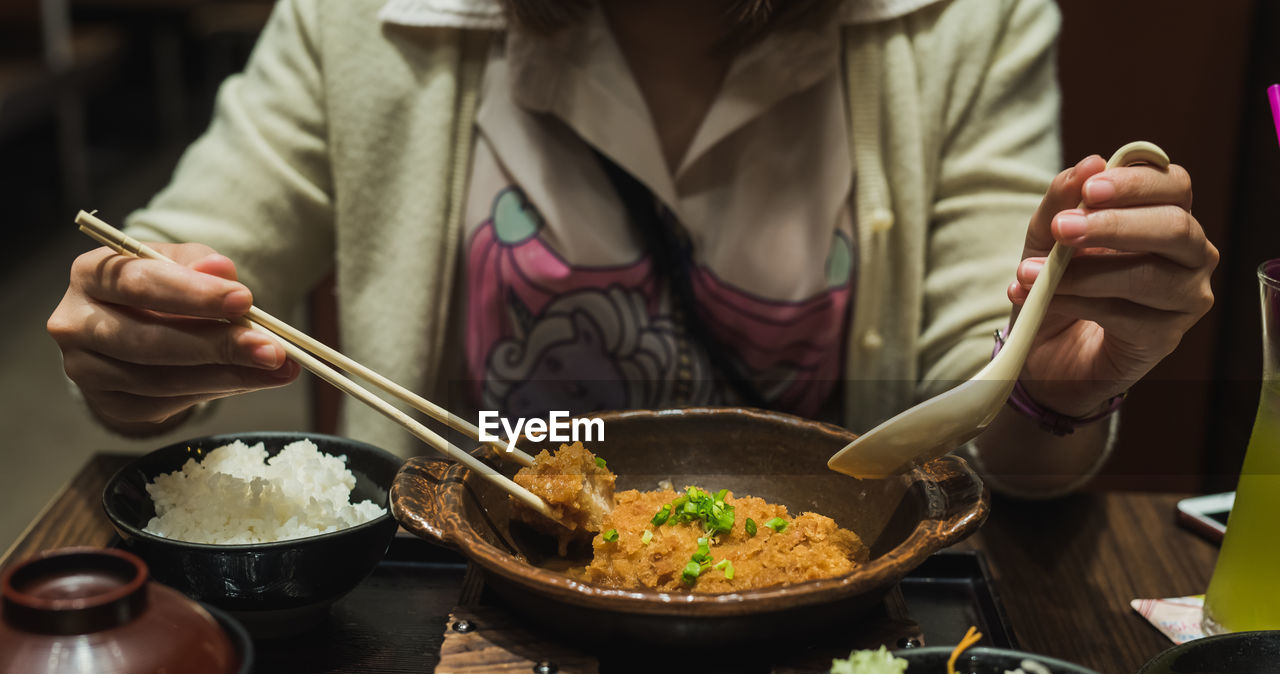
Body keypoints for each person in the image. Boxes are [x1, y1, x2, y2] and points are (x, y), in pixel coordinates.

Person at [48, 0, 1217, 497]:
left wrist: (1048, 391)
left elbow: (975, 422)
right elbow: (178, 266)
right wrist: (136, 332)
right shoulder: (369, 16)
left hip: (818, 639)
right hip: (444, 620)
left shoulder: (958, 21)